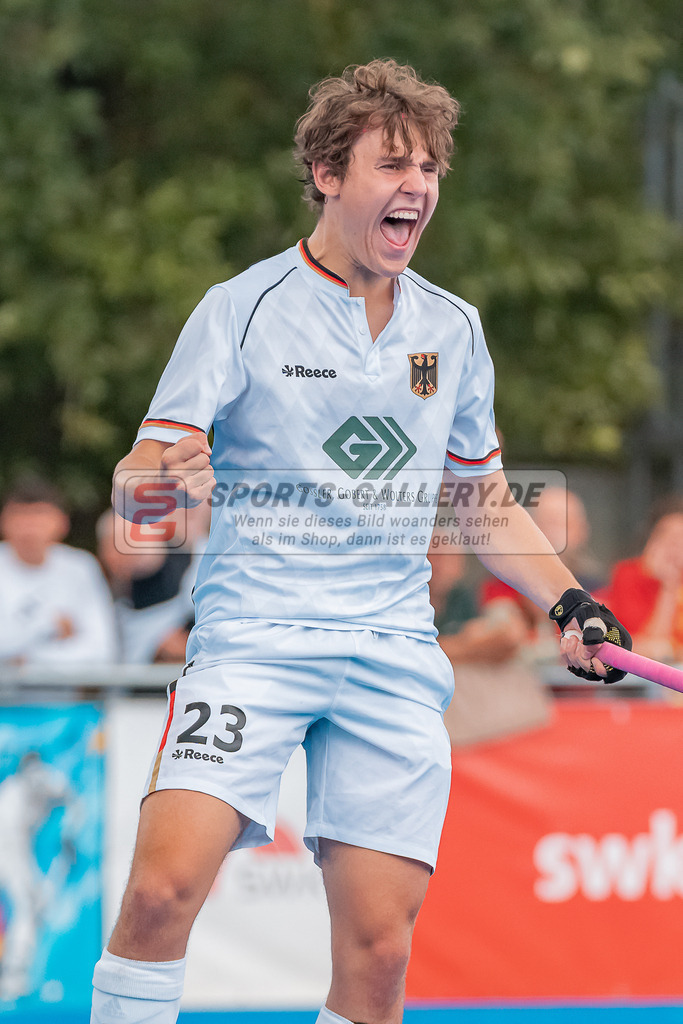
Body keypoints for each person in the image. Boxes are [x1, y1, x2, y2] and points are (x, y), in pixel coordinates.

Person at [91, 60, 631, 1024]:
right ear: (329, 174)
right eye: (392, 163)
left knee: (380, 955)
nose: (417, 184)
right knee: (160, 894)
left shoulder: (454, 330)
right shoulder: (241, 308)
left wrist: (570, 601)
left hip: (388, 651)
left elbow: (479, 505)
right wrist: (160, 478)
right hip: (254, 639)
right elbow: (143, 475)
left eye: (428, 167)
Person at [0, 477, 117, 668]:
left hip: (65, 695)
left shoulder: (81, 567)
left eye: (39, 517)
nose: (29, 529)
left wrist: (29, 660)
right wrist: (51, 625)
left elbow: (102, 650)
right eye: (20, 517)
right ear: (4, 522)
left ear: (62, 522)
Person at [600, 495, 683, 664]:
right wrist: (667, 587)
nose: (672, 547)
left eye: (679, 539)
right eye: (665, 537)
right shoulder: (628, 575)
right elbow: (641, 646)